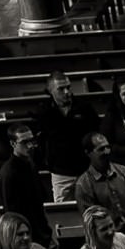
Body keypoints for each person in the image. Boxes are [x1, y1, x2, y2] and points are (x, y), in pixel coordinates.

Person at [35, 72, 98, 201]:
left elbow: (96, 134)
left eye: (68, 87)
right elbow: (41, 140)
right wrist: (49, 162)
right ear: (51, 90)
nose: (67, 92)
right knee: (63, 209)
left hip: (86, 169)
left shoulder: (84, 108)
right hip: (60, 172)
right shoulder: (44, 111)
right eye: (61, 89)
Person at [72, 132, 125, 237]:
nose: (107, 152)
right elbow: (93, 224)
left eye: (107, 147)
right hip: (108, 240)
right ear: (88, 153)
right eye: (101, 149)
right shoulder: (83, 185)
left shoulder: (124, 172)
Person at [0, 123, 52, 248]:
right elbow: (12, 214)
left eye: (31, 141)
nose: (30, 146)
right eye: (24, 142)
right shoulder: (9, 173)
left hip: (41, 231)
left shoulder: (30, 164)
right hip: (26, 237)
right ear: (13, 144)